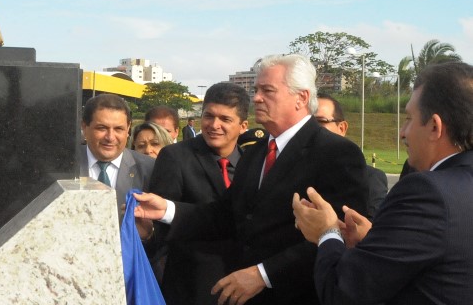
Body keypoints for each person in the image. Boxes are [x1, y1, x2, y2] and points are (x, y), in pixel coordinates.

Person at [135, 54, 368, 305]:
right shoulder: (256, 153)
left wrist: (264, 274)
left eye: (267, 90)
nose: (256, 97)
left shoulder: (336, 153)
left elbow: (340, 236)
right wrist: (167, 210)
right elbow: (226, 216)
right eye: (256, 89)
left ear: (301, 97)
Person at [293, 61, 473, 304]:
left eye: (409, 118)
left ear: (434, 126)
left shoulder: (427, 192)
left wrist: (327, 233)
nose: (402, 132)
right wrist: (375, 241)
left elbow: (341, 292)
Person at [149, 83, 250, 305]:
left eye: (225, 119)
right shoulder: (175, 158)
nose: (214, 125)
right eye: (209, 116)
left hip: (243, 289)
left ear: (243, 126)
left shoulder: (251, 164)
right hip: (190, 289)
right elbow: (160, 229)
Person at [79, 94, 155, 221]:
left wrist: (149, 233)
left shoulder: (150, 169)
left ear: (128, 129)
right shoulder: (63, 165)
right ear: (84, 127)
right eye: (102, 128)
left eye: (118, 129)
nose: (110, 137)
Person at [315, 93, 388, 217]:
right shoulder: (289, 174)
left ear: (342, 128)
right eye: (306, 124)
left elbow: (373, 230)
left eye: (321, 121)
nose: (311, 129)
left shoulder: (370, 179)